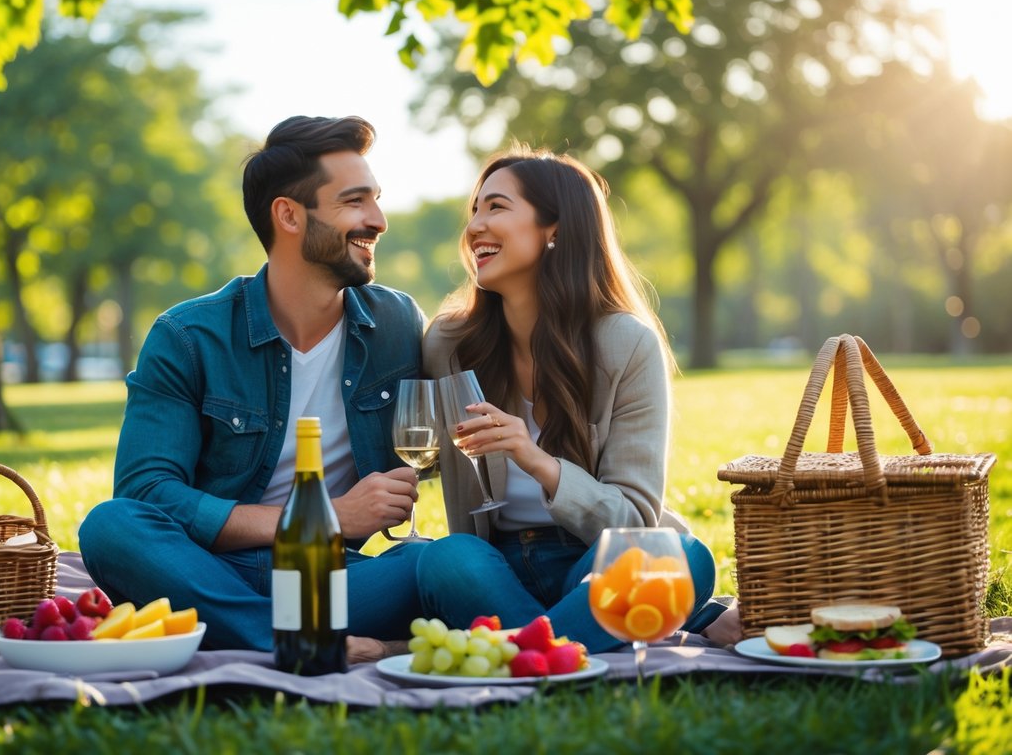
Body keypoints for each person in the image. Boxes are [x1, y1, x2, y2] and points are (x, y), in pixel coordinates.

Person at [79, 116, 427, 657]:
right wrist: (329, 516)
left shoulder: (399, 325)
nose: (378, 220)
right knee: (111, 527)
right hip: (208, 566)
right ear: (288, 215)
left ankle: (247, 630)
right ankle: (301, 641)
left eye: (376, 200)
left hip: (331, 579)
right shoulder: (189, 336)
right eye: (355, 201)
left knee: (442, 565)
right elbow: (147, 493)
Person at [416, 147, 722, 652]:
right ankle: (568, 647)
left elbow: (635, 520)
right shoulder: (448, 343)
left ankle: (518, 653)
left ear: (553, 228)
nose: (474, 227)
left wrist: (539, 462)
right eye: (474, 211)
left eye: (496, 207)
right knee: (447, 558)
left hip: (595, 560)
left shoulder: (626, 344)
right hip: (495, 568)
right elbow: (414, 450)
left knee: (679, 557)